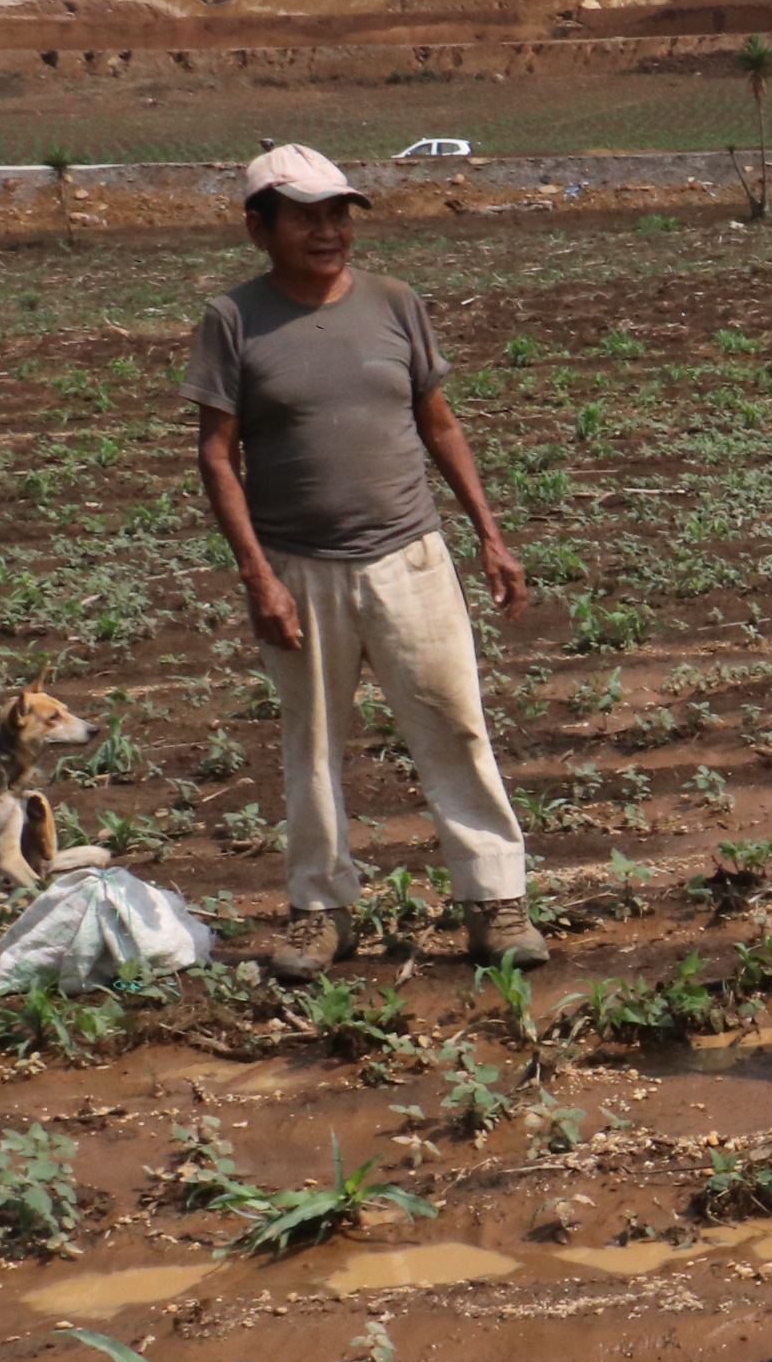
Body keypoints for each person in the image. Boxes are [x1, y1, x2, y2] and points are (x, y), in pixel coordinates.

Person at [186, 142, 541, 985]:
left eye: (339, 212)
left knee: (454, 726)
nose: (329, 230)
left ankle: (496, 903)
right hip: (299, 570)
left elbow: (440, 425)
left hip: (409, 557)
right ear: (258, 229)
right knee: (310, 747)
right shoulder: (234, 320)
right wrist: (257, 576)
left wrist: (490, 534)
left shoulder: (394, 303)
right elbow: (215, 455)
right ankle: (319, 914)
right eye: (306, 215)